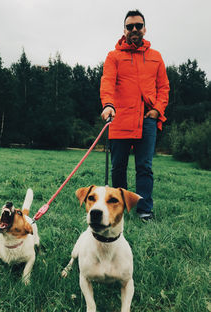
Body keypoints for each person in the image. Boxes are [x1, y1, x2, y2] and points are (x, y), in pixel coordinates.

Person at [100, 9, 170, 221]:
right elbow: (108, 82)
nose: (134, 30)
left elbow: (164, 87)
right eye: (130, 26)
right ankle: (118, 209)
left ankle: (144, 210)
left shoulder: (156, 57)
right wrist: (108, 105)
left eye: (138, 26)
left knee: (144, 167)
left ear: (144, 29)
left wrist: (157, 110)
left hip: (147, 121)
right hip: (119, 118)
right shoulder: (114, 56)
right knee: (118, 166)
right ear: (124, 30)